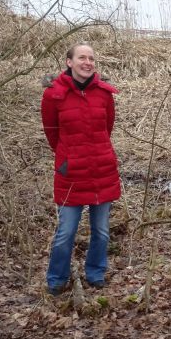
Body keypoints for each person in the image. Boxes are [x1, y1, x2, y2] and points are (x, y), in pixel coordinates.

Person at [42, 43, 121, 294]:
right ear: (69, 62)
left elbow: (107, 128)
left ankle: (95, 273)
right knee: (65, 233)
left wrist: (94, 153)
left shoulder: (104, 94)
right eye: (82, 58)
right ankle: (56, 280)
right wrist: (68, 157)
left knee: (102, 231)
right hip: (71, 175)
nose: (87, 62)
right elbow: (52, 134)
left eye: (91, 58)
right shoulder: (53, 95)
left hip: (102, 171)